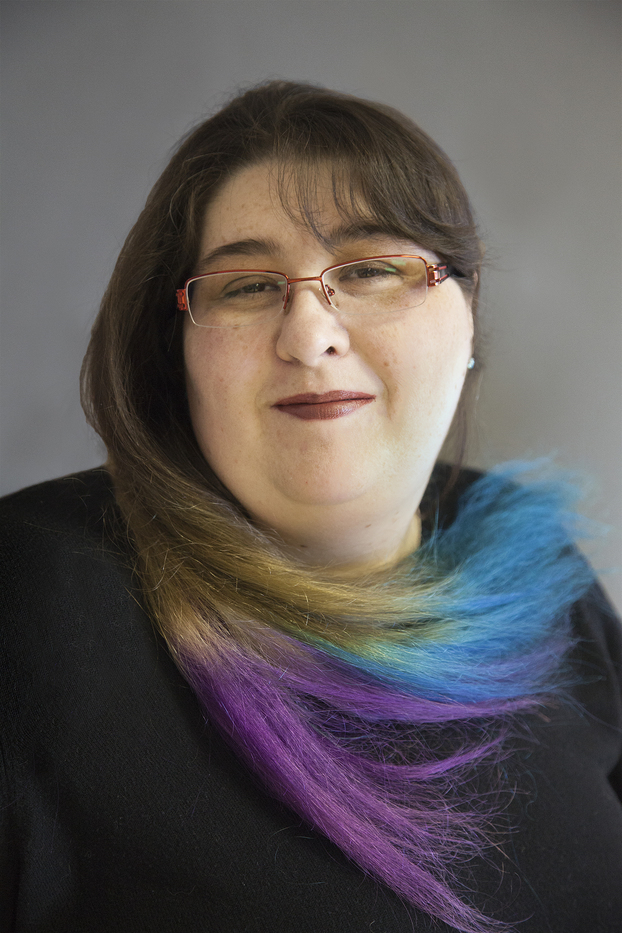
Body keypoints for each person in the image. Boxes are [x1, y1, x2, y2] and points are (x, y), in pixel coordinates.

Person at [1, 81, 621, 933]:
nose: (308, 335)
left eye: (370, 270)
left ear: (469, 315)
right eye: (247, 286)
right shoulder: (34, 592)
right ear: (176, 349)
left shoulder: (537, 566)